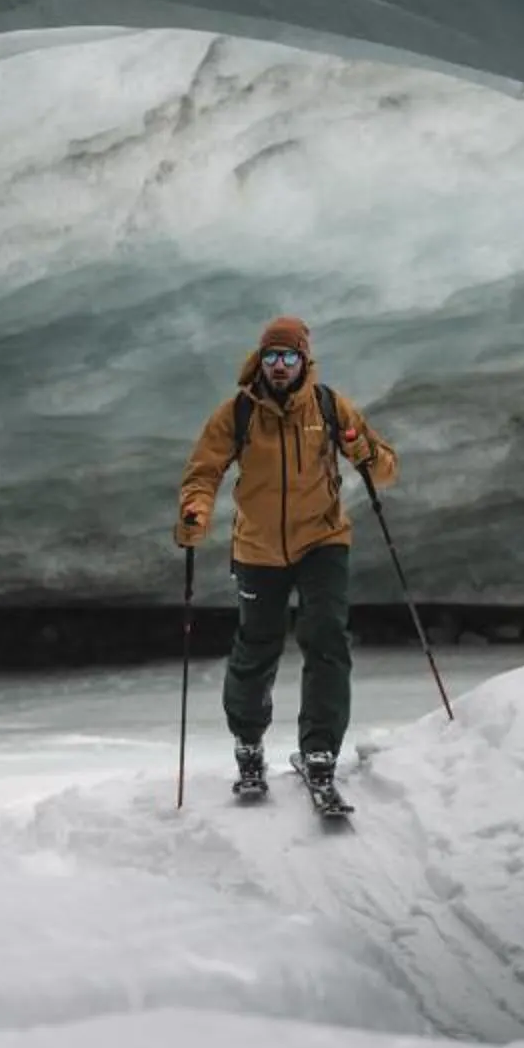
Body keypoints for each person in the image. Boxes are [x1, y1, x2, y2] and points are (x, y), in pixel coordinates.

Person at [174, 316, 398, 801]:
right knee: (257, 646)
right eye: (272, 357)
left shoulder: (329, 407)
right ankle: (249, 744)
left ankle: (320, 749)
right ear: (261, 359)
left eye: (289, 357)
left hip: (323, 540)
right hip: (258, 548)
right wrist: (194, 509)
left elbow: (385, 471)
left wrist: (362, 449)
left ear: (304, 360)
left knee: (327, 640)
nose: (280, 366)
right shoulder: (237, 413)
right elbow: (203, 472)